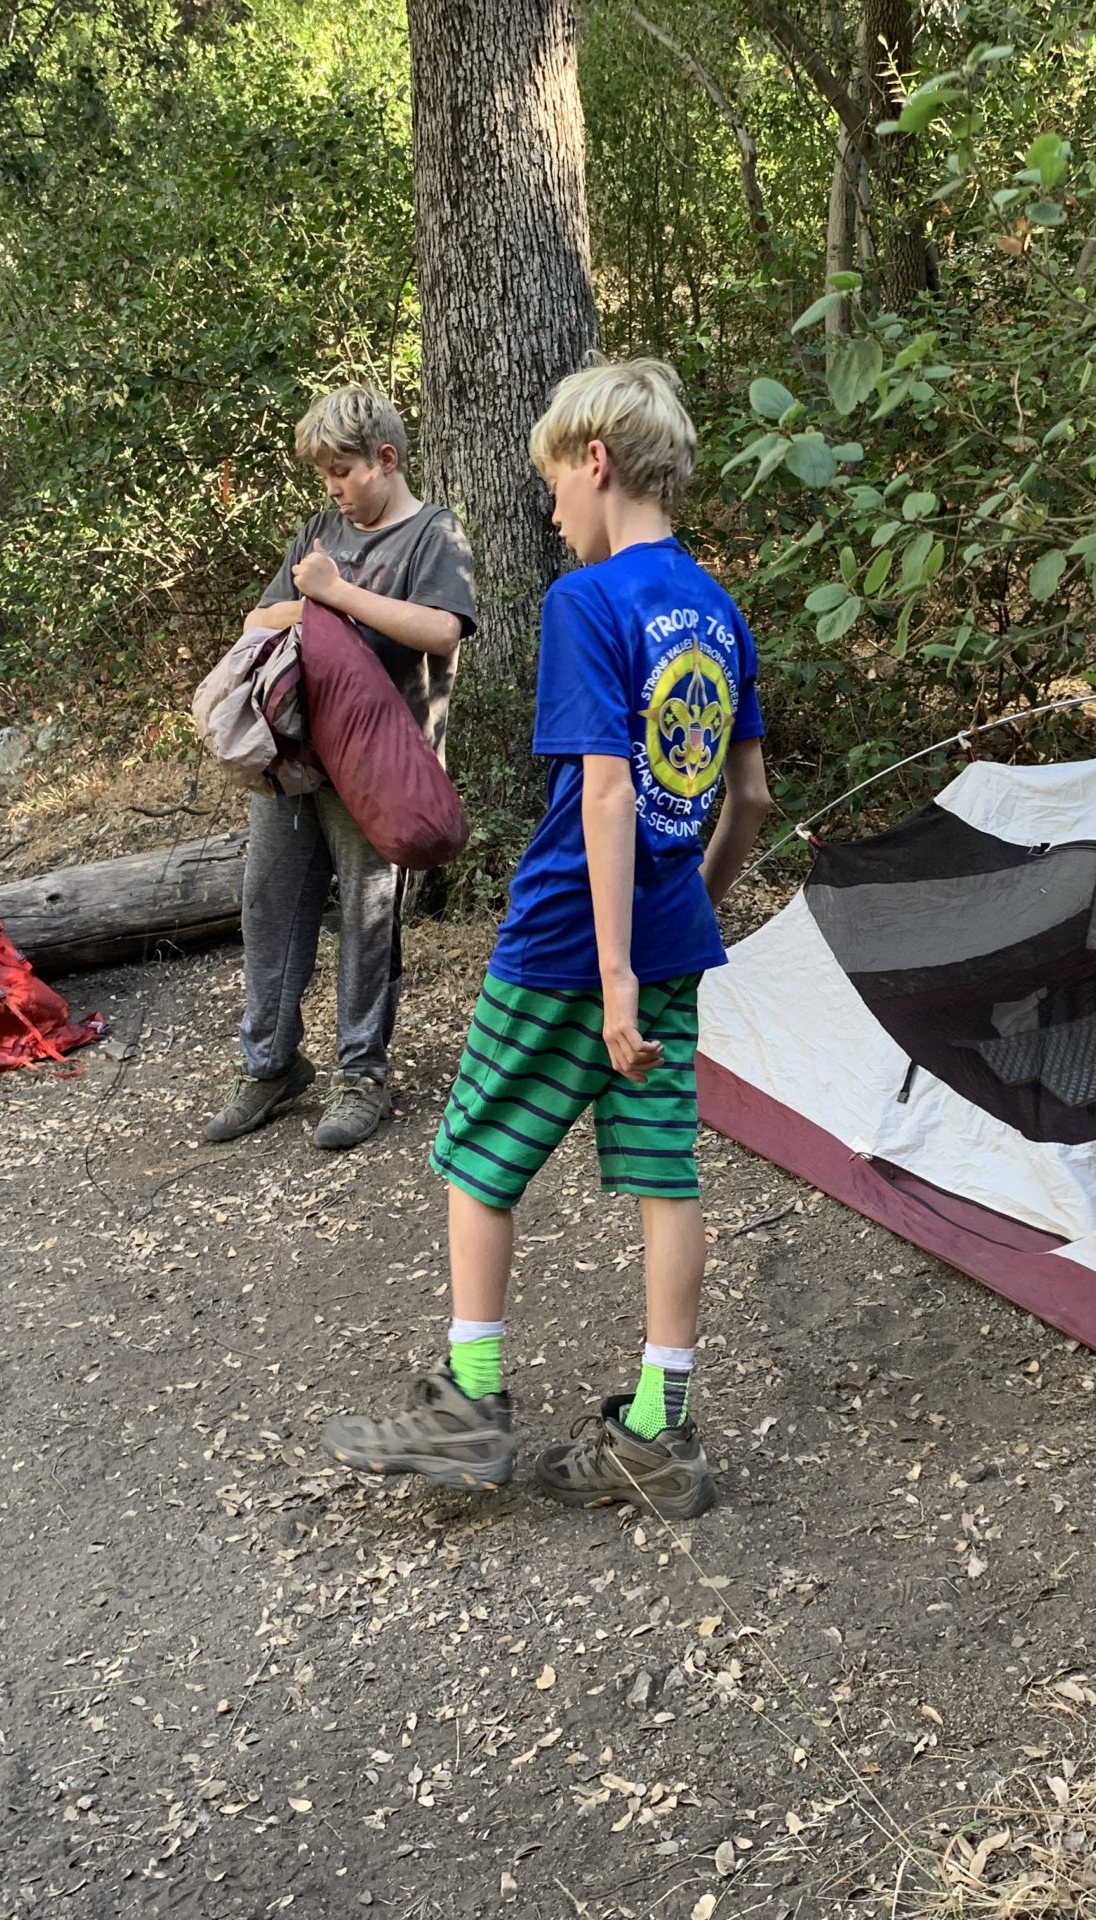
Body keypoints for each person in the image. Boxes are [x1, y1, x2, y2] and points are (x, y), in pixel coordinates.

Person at [321, 358, 771, 1518]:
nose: (551, 511)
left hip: (574, 937)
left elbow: (611, 795)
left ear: (597, 463)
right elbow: (752, 800)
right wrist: (685, 913)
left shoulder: (589, 604)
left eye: (553, 488)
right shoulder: (716, 611)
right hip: (666, 933)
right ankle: (659, 1430)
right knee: (667, 1176)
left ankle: (469, 1408)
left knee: (477, 1156)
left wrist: (615, 975)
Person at [205, 387, 477, 1151]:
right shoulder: (319, 529)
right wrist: (312, 605)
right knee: (268, 903)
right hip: (293, 757)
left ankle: (361, 1076)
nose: (330, 486)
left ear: (385, 460)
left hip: (381, 768)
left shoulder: (433, 532)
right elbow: (260, 619)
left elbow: (441, 631)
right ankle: (269, 1064)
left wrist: (335, 595)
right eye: (321, 472)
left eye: (341, 470)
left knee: (366, 918)